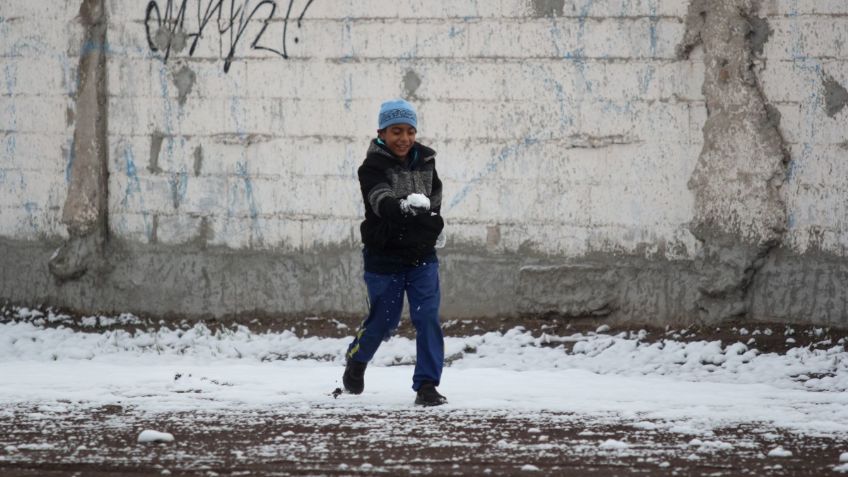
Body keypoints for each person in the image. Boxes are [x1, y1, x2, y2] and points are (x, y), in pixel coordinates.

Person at [341, 99, 447, 406]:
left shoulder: (426, 161)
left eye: (409, 131)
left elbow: (435, 200)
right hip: (384, 256)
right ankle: (357, 358)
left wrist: (432, 223)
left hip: (421, 256)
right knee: (384, 321)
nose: (404, 138)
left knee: (426, 316)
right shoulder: (372, 167)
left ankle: (427, 385)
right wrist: (402, 208)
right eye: (396, 131)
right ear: (381, 133)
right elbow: (380, 201)